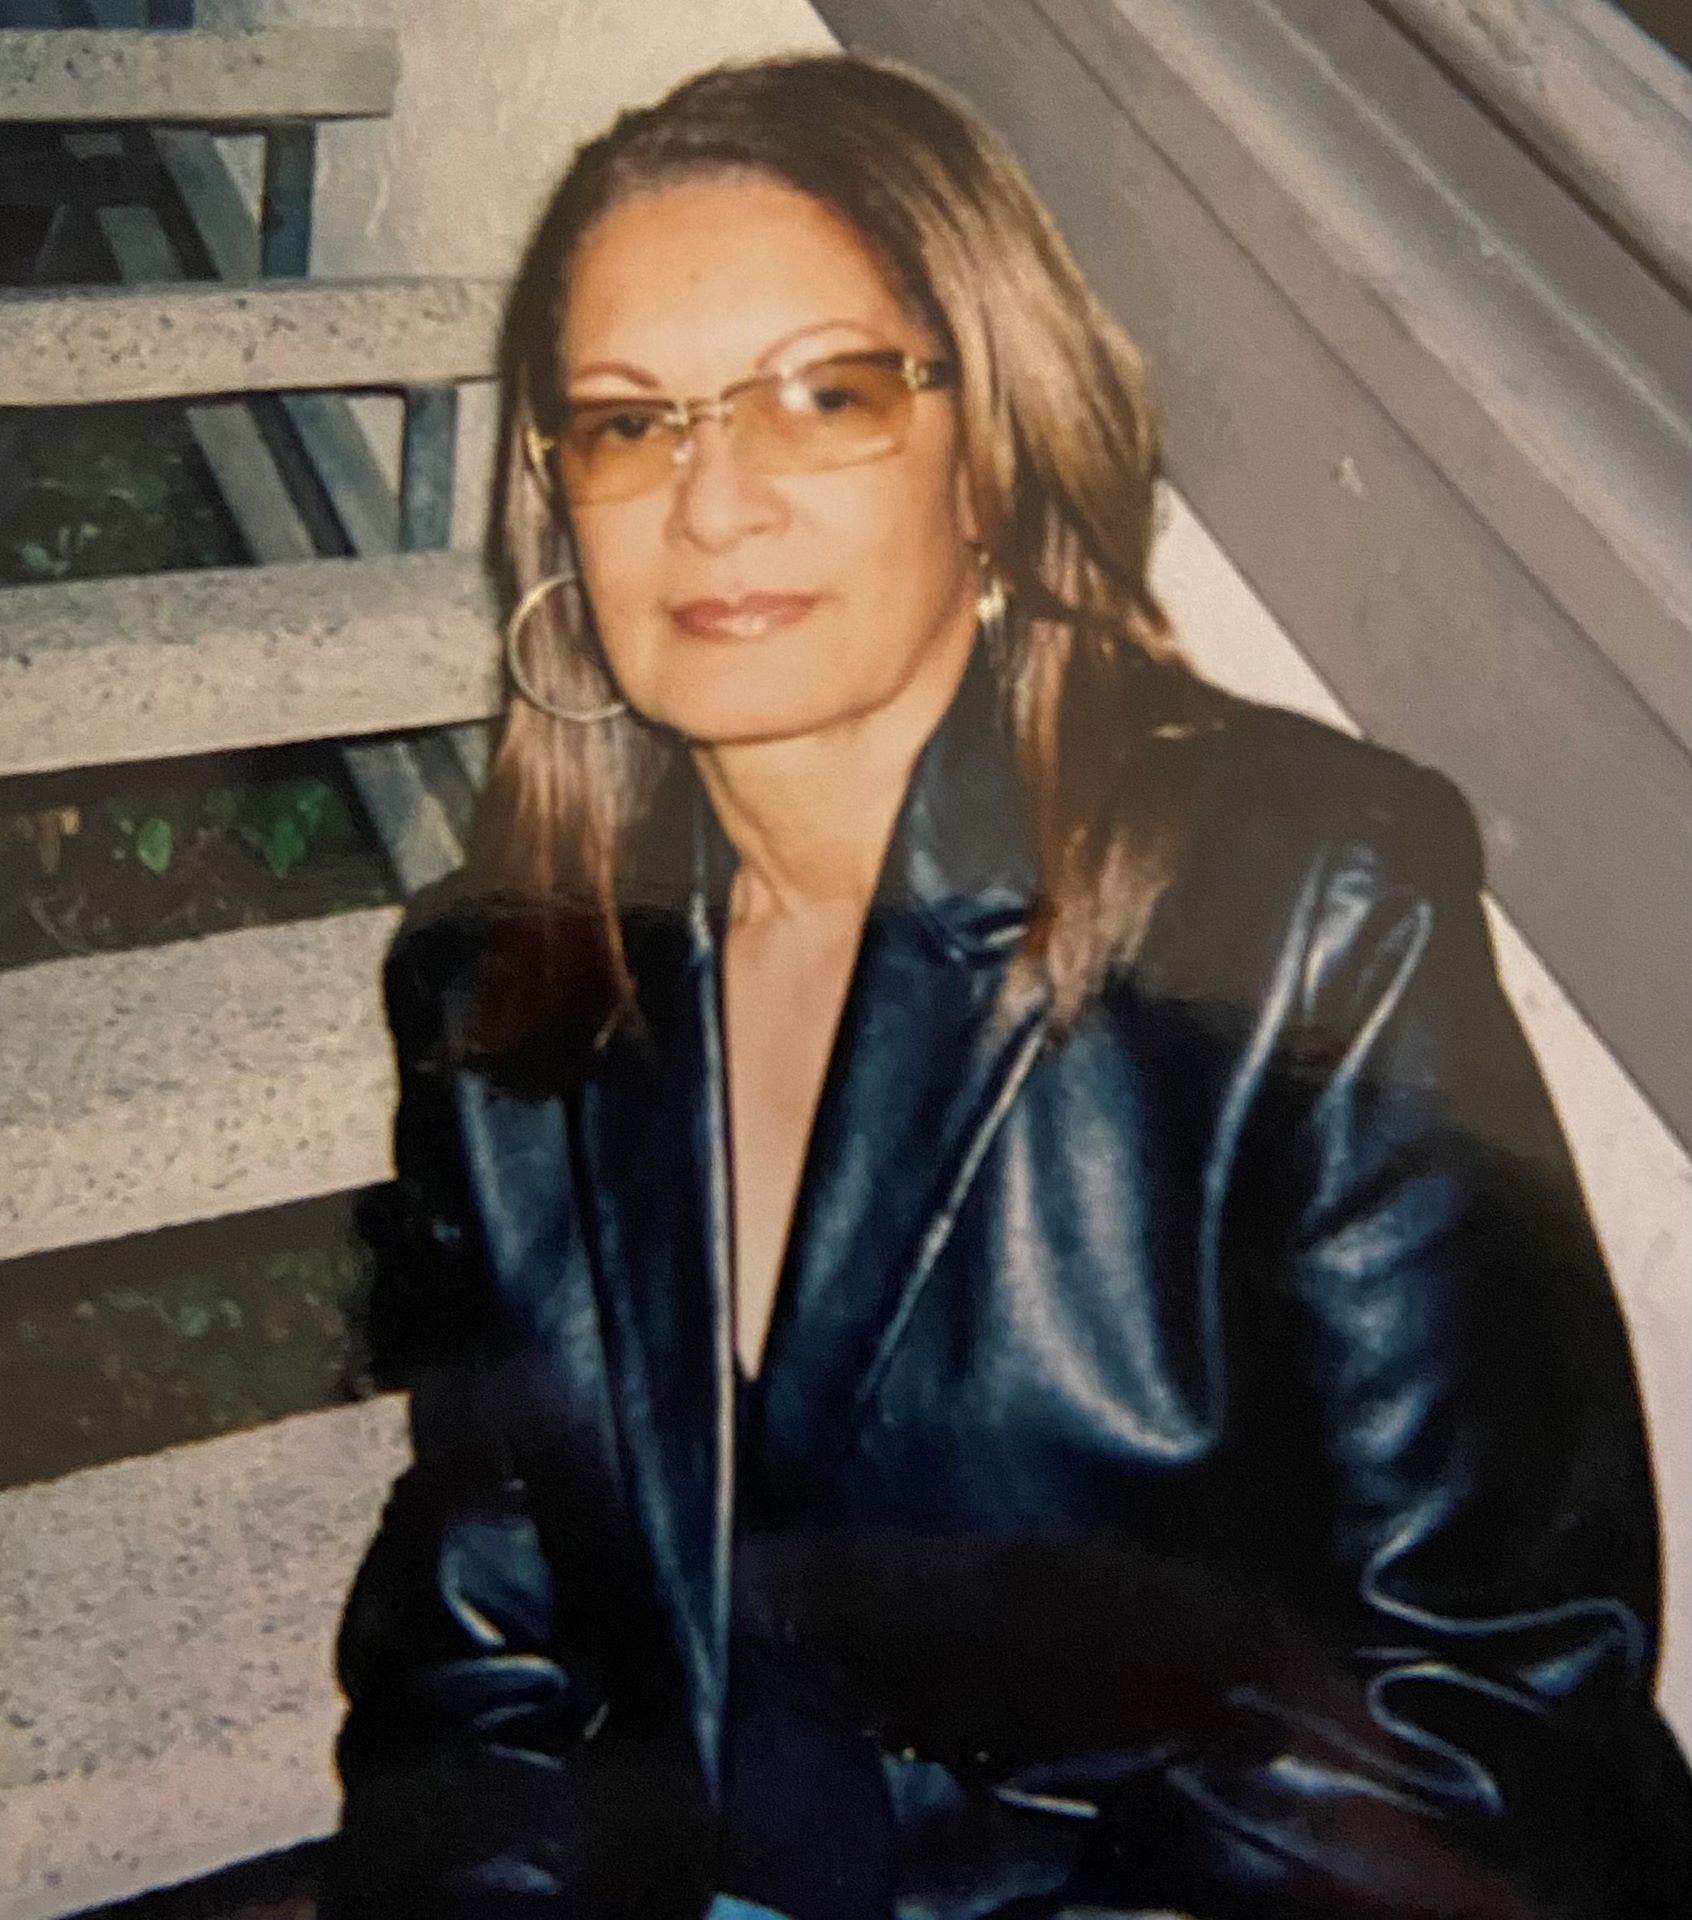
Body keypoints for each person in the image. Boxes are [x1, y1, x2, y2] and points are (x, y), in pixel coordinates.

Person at [325, 50, 1692, 1920]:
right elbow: (482, 1638)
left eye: (825, 396)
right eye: (631, 424)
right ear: (557, 499)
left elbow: (1488, 1712)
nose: (711, 503)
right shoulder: (502, 992)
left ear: (992, 451)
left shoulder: (1300, 901)